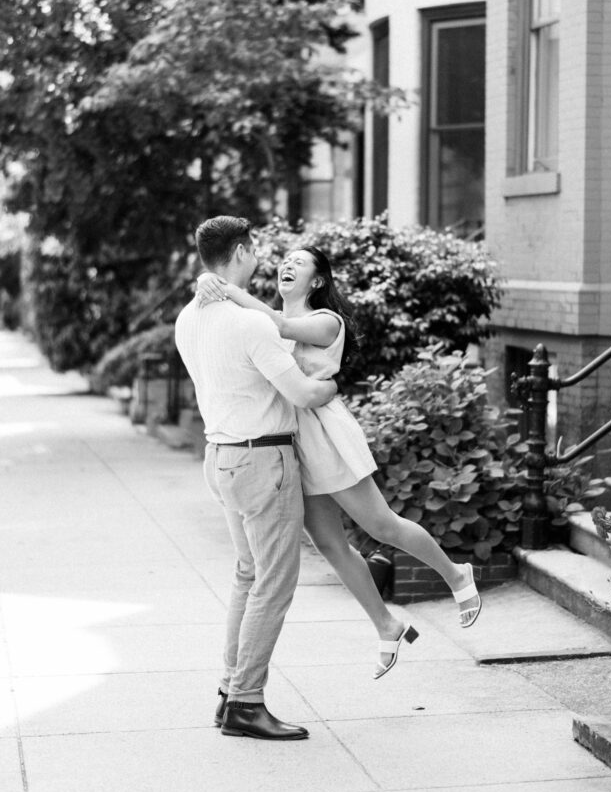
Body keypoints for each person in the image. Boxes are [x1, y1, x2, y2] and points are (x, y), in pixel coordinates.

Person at [196, 244, 482, 680]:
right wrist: (209, 285)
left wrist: (223, 289)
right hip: (289, 442)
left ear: (319, 281)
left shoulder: (324, 321)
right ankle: (386, 624)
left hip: (324, 436)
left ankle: (457, 575)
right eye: (284, 260)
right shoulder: (263, 315)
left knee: (381, 525)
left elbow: (279, 324)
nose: (287, 265)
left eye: (300, 262)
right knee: (331, 546)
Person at [175, 217, 337, 741]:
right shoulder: (251, 325)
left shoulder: (188, 319)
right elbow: (302, 394)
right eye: (257, 249)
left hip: (221, 456)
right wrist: (331, 385)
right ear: (242, 251)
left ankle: (230, 691)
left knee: (248, 575)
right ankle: (246, 702)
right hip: (263, 461)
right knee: (274, 581)